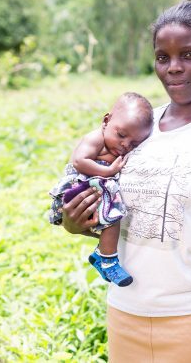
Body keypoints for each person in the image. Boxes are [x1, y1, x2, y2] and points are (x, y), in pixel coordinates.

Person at [61, 0, 191, 363]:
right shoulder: (134, 129)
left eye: (189, 54)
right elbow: (111, 214)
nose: (174, 68)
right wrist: (72, 223)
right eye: (163, 57)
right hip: (125, 313)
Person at [49, 92, 154, 287]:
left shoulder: (119, 142)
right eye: (121, 135)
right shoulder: (95, 138)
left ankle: (105, 258)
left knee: (113, 220)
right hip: (80, 188)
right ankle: (106, 260)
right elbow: (79, 161)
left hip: (99, 189)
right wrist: (109, 171)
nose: (125, 145)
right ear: (106, 120)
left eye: (134, 144)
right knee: (112, 218)